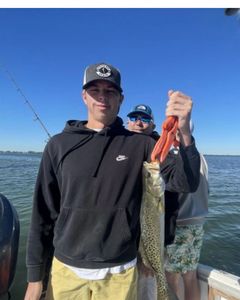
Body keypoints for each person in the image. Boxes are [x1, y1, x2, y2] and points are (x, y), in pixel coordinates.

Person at [24, 62, 200, 300]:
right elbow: (43, 213)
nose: (102, 97)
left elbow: (185, 184)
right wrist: (35, 278)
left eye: (110, 91)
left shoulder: (142, 145)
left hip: (120, 271)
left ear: (121, 98)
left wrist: (186, 133)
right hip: (65, 269)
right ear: (84, 96)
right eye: (95, 90)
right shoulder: (58, 145)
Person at [165, 123, 209, 300]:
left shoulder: (176, 154)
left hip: (181, 224)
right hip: (198, 223)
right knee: (190, 276)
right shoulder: (200, 156)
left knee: (172, 277)